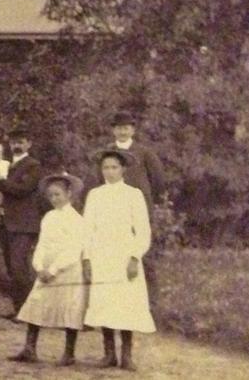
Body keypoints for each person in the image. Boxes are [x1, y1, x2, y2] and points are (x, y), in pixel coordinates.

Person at [83, 149, 155, 371]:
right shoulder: (95, 194)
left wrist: (135, 257)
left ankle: (127, 354)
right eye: (106, 167)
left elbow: (143, 230)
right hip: (101, 254)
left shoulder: (133, 194)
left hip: (124, 253)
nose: (110, 172)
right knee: (104, 300)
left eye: (114, 167)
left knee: (125, 302)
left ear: (123, 169)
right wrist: (86, 258)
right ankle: (108, 354)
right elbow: (87, 229)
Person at [10, 172, 88, 366]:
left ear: (69, 194)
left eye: (58, 195)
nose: (54, 199)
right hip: (45, 269)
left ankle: (69, 353)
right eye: (51, 195)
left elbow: (73, 249)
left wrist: (53, 269)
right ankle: (30, 348)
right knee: (36, 303)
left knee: (69, 308)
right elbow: (42, 243)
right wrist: (39, 266)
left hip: (66, 269)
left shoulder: (77, 220)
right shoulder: (49, 217)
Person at [90, 110, 167, 300]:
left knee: (141, 253)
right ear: (113, 131)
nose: (122, 132)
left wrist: (148, 201)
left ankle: (150, 302)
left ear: (133, 130)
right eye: (118, 128)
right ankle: (115, 299)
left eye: (126, 128)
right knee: (111, 254)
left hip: (137, 209)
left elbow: (158, 180)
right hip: (112, 210)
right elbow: (100, 179)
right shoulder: (107, 152)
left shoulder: (144, 152)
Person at [0, 127, 44, 317]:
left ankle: (28, 310)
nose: (17, 145)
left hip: (25, 224)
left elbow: (23, 189)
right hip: (8, 222)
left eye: (21, 142)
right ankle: (19, 309)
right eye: (14, 142)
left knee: (19, 267)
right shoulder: (5, 166)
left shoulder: (33, 165)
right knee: (11, 266)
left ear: (29, 144)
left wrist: (1, 183)